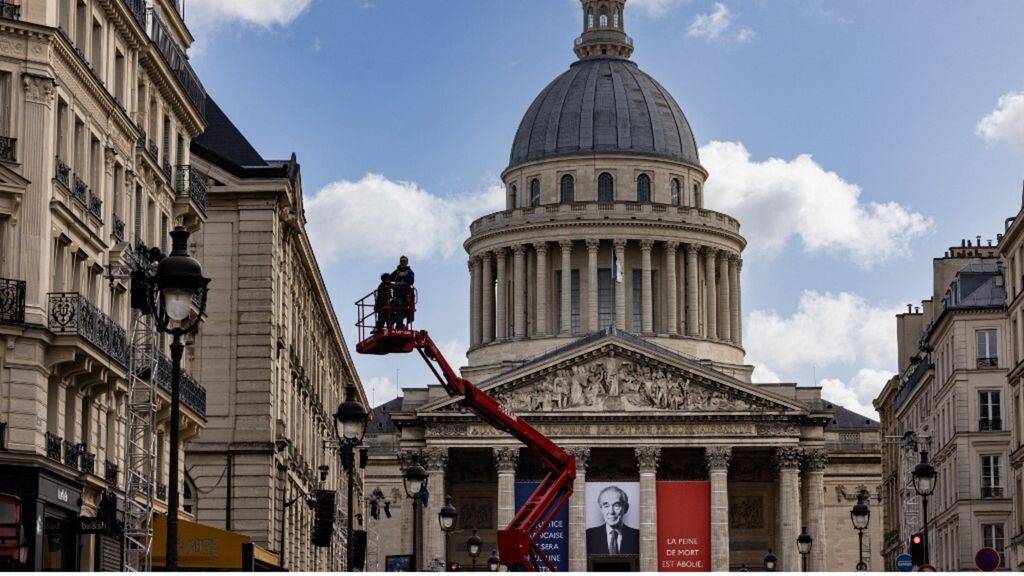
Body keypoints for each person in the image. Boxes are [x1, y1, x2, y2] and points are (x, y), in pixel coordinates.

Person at [585, 486, 639, 555]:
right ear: (601, 509)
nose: (611, 512)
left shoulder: (638, 536)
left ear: (625, 508)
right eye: (606, 506)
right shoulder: (588, 536)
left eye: (616, 505)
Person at [389, 255, 415, 329]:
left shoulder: (409, 272)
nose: (402, 262)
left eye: (404, 261)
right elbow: (390, 277)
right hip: (396, 296)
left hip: (404, 296)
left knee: (401, 310)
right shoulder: (397, 271)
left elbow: (411, 281)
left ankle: (399, 326)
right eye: (401, 261)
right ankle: (388, 324)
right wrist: (385, 279)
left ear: (407, 262)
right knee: (387, 309)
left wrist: (404, 276)